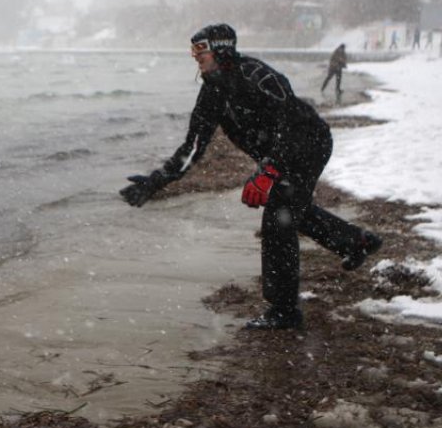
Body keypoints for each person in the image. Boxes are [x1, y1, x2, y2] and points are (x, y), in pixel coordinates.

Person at [120, 24, 382, 330]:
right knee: (290, 210)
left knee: (279, 217)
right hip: (281, 155)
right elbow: (193, 146)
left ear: (220, 50)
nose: (196, 58)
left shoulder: (258, 76)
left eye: (200, 50)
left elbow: (292, 123)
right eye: (193, 51)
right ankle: (356, 241)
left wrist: (269, 170)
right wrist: (156, 181)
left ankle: (284, 311)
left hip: (308, 144)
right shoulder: (211, 92)